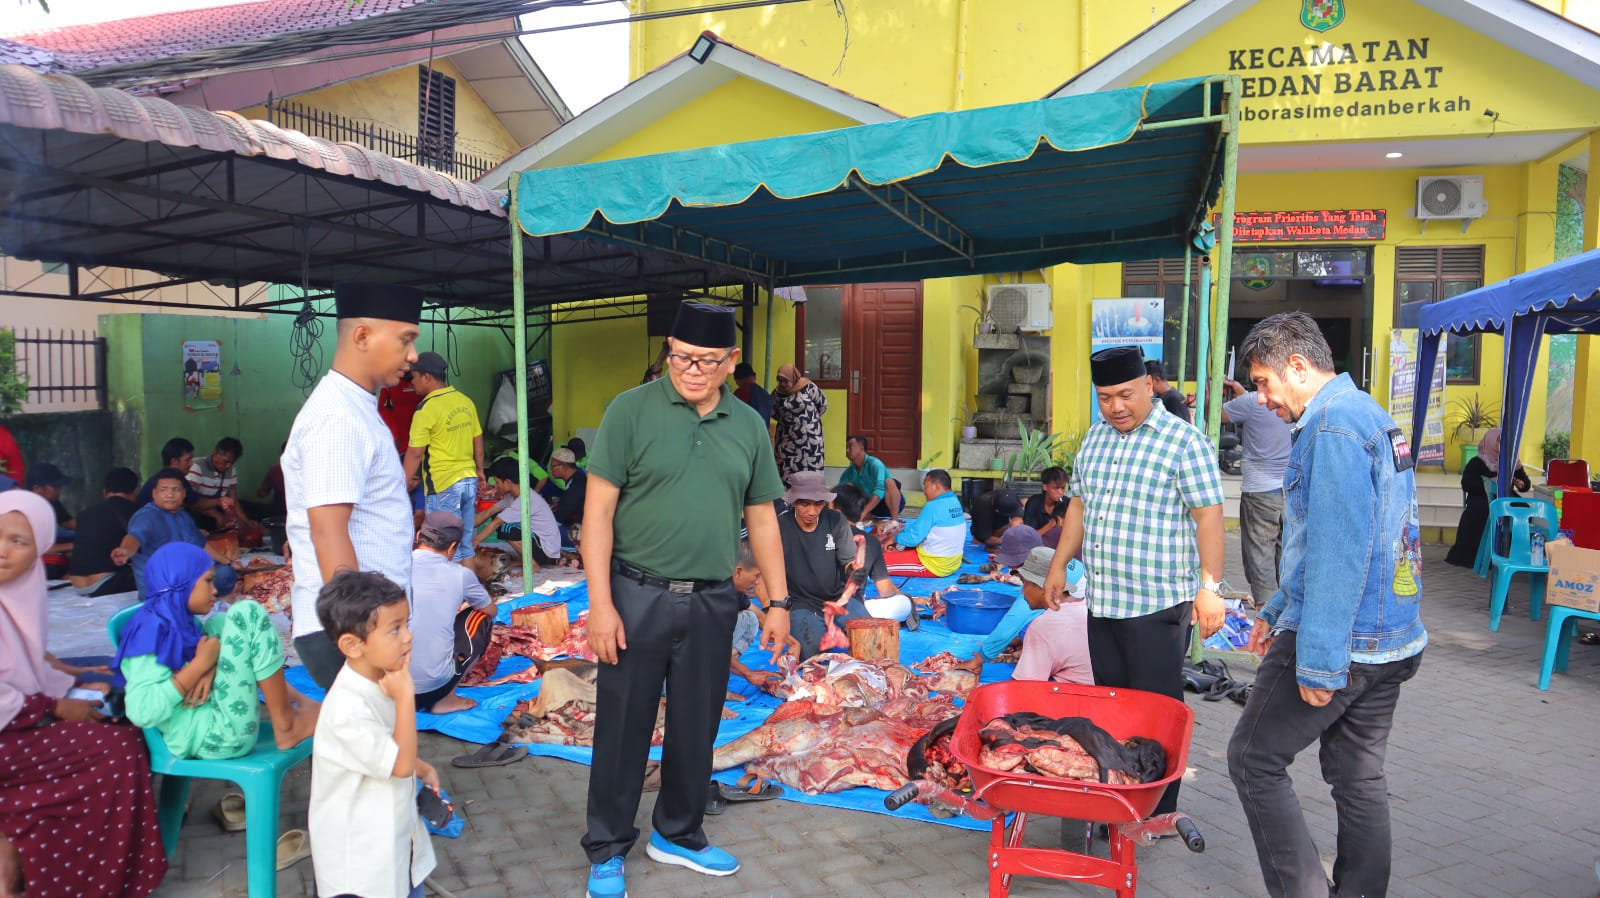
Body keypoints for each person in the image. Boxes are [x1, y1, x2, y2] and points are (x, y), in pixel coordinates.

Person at [579, 301, 790, 898]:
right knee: (623, 725)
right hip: (634, 593)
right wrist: (600, 603)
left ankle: (677, 832)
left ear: (729, 364)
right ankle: (607, 846)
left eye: (704, 361)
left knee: (697, 724)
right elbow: (596, 516)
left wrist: (777, 601)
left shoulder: (748, 425)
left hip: (712, 600)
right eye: (680, 357)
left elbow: (763, 521)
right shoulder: (630, 411)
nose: (690, 370)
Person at [1226, 312, 1427, 898]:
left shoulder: (1334, 427)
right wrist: (1274, 608)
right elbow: (1336, 539)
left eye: (1263, 382)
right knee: (1358, 777)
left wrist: (1317, 663)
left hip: (1346, 641)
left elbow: (1341, 553)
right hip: (1390, 639)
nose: (1261, 399)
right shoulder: (1368, 414)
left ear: (1297, 366)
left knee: (1251, 759)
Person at [1042, 344, 1226, 817]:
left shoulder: (1184, 442)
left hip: (1157, 606)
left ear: (1148, 385)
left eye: (1125, 395)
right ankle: (1119, 799)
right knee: (1112, 708)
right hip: (1103, 603)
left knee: (1157, 712)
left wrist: (1210, 586)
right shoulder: (1096, 439)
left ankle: (1160, 810)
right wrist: (1060, 564)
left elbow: (1208, 516)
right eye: (1105, 398)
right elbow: (1078, 505)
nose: (1116, 407)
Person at [0, 491, 169, 898]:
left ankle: (35, 858)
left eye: (19, 542)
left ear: (39, 549)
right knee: (116, 749)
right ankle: (76, 878)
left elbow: (25, 663)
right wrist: (58, 703)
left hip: (12, 724)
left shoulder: (16, 596)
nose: (2, 551)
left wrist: (70, 681)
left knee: (120, 717)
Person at [284, 282, 422, 690]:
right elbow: (329, 531)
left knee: (381, 748)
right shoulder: (337, 418)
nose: (412, 356)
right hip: (352, 630)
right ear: (362, 336)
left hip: (367, 627)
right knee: (372, 750)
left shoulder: (356, 407)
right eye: (406, 340)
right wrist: (363, 634)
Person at [115, 543, 318, 757]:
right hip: (213, 735)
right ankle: (286, 724)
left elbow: (212, 648)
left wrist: (211, 665)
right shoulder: (149, 632)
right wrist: (199, 666)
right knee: (247, 613)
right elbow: (142, 712)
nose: (215, 590)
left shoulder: (177, 620)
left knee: (220, 623)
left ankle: (299, 703)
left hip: (215, 714)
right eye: (208, 581)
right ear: (181, 583)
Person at [309, 570, 439, 898]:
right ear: (353, 645)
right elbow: (399, 766)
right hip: (360, 868)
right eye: (395, 629)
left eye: (407, 624)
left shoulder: (382, 678)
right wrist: (406, 697)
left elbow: (391, 748)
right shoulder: (347, 710)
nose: (408, 637)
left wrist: (421, 766)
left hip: (394, 843)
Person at [776, 472, 872, 659]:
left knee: (872, 638)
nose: (812, 511)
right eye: (805, 504)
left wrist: (854, 572)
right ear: (794, 501)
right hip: (799, 603)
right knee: (811, 655)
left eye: (818, 504)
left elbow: (847, 563)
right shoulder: (780, 526)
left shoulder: (836, 521)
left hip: (837, 598)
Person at [404, 351, 486, 563]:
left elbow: (415, 452)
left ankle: (453, 595)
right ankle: (469, 593)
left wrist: (402, 482)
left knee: (443, 547)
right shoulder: (465, 401)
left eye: (413, 377)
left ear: (426, 377)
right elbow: (478, 438)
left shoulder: (426, 408)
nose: (411, 383)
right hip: (468, 480)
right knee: (465, 544)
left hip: (443, 485)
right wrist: (480, 470)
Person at [409, 512, 494, 714]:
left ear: (418, 535)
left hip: (389, 689)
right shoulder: (460, 574)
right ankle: (446, 699)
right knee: (480, 616)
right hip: (432, 689)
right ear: (452, 548)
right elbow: (491, 609)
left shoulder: (394, 566)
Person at [112, 468, 241, 598]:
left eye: (175, 490)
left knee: (225, 572)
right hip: (159, 590)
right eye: (163, 490)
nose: (169, 495)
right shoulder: (146, 516)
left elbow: (201, 545)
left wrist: (229, 562)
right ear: (154, 494)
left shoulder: (183, 516)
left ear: (184, 494)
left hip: (184, 582)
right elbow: (134, 537)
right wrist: (125, 551)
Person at [1223, 379, 1294, 606]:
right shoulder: (1294, 398)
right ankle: (1285, 616)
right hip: (1290, 489)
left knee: (1260, 557)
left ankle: (1266, 616)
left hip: (1260, 490)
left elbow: (1219, 415)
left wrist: (1210, 392)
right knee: (1287, 556)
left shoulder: (1252, 401)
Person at [1445, 426, 1530, 568]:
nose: (1501, 446)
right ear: (1490, 442)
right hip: (1481, 498)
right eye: (1498, 442)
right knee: (1483, 512)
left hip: (1505, 499)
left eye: (1503, 442)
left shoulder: (1512, 462)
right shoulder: (1478, 462)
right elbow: (1467, 484)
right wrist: (1490, 482)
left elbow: (1526, 484)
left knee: (1525, 511)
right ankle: (1480, 557)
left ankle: (1519, 556)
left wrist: (1521, 484)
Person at [829, 483, 912, 624]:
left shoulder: (816, 533)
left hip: (810, 609)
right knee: (904, 604)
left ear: (837, 510)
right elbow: (885, 590)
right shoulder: (870, 542)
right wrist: (900, 594)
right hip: (849, 611)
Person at [1011, 547, 1092, 685]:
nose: (1023, 591)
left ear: (1043, 587)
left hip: (1076, 699)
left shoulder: (1043, 625)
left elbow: (1025, 687)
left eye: (1025, 583)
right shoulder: (1087, 606)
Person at [726, 542, 799, 690]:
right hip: (690, 652)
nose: (758, 582)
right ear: (738, 571)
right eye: (756, 575)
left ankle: (723, 670)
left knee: (750, 619)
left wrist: (793, 643)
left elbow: (759, 615)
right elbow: (712, 646)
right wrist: (748, 673)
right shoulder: (714, 597)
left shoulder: (735, 590)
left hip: (709, 646)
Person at [65, 466, 139, 597]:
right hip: (106, 584)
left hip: (78, 585)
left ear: (105, 492)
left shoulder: (84, 514)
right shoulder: (137, 513)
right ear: (134, 491)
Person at [476, 457, 563, 568]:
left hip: (547, 551)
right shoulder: (511, 496)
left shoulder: (525, 498)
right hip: (540, 545)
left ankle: (532, 564)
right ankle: (524, 559)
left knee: (506, 527)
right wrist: (463, 529)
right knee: (499, 520)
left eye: (497, 483)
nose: (496, 487)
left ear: (508, 482)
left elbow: (497, 523)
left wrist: (475, 541)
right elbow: (487, 513)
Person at [885, 470, 969, 577]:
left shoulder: (933, 506)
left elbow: (914, 538)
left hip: (933, 565)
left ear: (937, 485)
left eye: (926, 486)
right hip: (953, 563)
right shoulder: (954, 500)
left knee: (877, 563)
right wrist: (899, 536)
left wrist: (893, 539)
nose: (924, 491)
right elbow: (917, 528)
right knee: (899, 545)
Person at [772, 363, 827, 483]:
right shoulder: (777, 394)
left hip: (810, 441)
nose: (782, 384)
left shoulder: (808, 387)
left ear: (793, 377)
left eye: (785, 381)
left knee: (811, 474)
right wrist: (791, 422)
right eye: (780, 380)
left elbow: (822, 404)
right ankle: (789, 501)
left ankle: (811, 500)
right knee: (788, 474)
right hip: (788, 441)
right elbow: (773, 412)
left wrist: (808, 421)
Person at [186, 436, 252, 531]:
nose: (228, 466)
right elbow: (191, 502)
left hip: (217, 507)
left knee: (249, 508)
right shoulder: (196, 467)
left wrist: (247, 522)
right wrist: (218, 516)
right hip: (198, 511)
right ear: (216, 454)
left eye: (231, 463)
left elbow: (234, 502)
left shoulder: (230, 470)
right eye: (226, 461)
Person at [839, 435, 903, 519]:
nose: (847, 450)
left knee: (889, 482)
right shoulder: (848, 472)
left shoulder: (875, 464)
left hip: (890, 504)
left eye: (850, 447)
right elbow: (839, 493)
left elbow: (880, 490)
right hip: (871, 508)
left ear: (861, 448)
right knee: (847, 487)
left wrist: (863, 512)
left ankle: (894, 521)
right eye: (846, 447)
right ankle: (871, 520)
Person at [135, 437, 198, 508]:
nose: (191, 463)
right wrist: (213, 501)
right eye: (188, 460)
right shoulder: (175, 479)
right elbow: (197, 504)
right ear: (174, 461)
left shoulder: (158, 477)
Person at [23, 462, 73, 540]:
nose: (59, 490)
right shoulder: (22, 509)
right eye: (55, 487)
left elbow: (68, 523)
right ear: (37, 489)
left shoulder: (51, 501)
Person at [1021, 466, 1069, 548]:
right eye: (1056, 488)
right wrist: (1051, 525)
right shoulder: (1034, 503)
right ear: (1045, 487)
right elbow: (1029, 538)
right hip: (1036, 547)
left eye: (1063, 488)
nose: (1060, 492)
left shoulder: (1067, 504)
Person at [549, 446, 588, 533]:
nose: (551, 469)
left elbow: (559, 519)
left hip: (581, 532)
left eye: (552, 466)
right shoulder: (579, 477)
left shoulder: (574, 487)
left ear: (564, 467)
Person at [731, 362, 774, 427]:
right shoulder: (765, 394)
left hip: (748, 433)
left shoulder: (741, 392)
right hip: (764, 433)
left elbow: (733, 414)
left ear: (737, 380)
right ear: (754, 376)